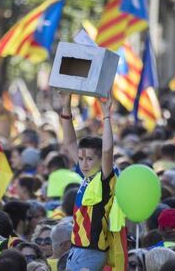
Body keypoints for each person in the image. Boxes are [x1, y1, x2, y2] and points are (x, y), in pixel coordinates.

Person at [61, 92, 115, 270]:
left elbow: (107, 150)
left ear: (100, 160)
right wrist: (66, 105)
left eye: (89, 159)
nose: (83, 163)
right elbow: (69, 141)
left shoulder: (103, 178)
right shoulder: (86, 177)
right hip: (76, 251)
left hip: (91, 253)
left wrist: (106, 115)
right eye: (81, 158)